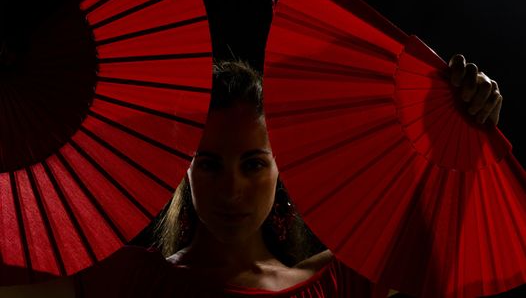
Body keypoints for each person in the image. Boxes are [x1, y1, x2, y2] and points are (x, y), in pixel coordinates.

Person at [0, 55, 503, 298]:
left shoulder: (336, 283)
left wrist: (463, 118)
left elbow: (451, 215)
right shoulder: (126, 281)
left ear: (280, 167)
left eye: (253, 163)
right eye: (210, 163)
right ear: (185, 169)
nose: (232, 189)